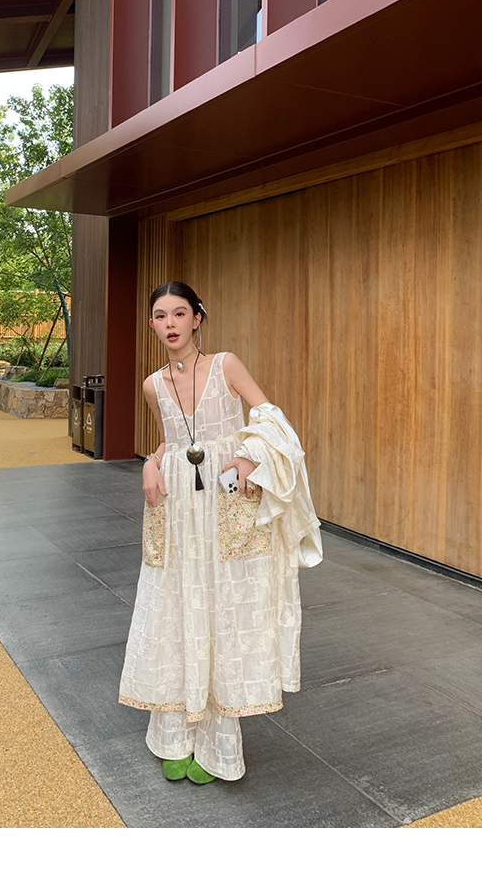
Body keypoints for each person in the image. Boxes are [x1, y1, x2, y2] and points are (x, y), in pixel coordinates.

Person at [118, 281, 322, 784]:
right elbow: (169, 440)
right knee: (176, 606)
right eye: (160, 316)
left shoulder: (226, 365)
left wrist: (250, 456)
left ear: (197, 318)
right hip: (176, 506)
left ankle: (217, 744)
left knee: (223, 608)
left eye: (179, 313)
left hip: (226, 501)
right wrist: (150, 462)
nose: (170, 324)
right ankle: (173, 737)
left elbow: (271, 419)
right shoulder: (152, 385)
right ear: (151, 324)